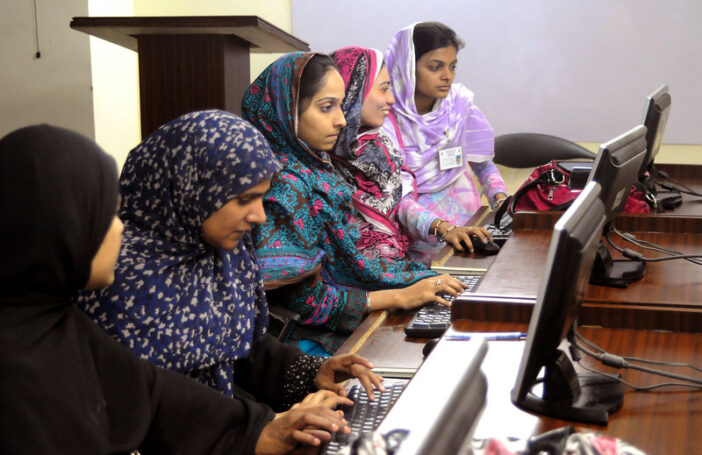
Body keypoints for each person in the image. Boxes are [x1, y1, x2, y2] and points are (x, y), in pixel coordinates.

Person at [0, 123, 357, 454]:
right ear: (57, 229)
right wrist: (264, 427)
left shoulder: (58, 325)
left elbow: (156, 394)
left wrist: (270, 419)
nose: (119, 229)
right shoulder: (24, 365)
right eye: (105, 215)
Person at [242, 52, 465, 356]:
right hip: (308, 346)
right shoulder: (284, 186)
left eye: (340, 104)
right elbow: (304, 303)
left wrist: (411, 287)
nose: (342, 119)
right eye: (326, 107)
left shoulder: (317, 169)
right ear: (287, 111)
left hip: (348, 323)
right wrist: (398, 297)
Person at [329, 46, 491, 265]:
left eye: (452, 67)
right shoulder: (328, 158)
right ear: (355, 91)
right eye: (384, 89)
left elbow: (398, 196)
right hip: (373, 280)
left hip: (401, 263)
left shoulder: (379, 144)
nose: (391, 100)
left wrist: (498, 200)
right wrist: (442, 228)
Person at [384, 22, 509, 263]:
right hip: (423, 240)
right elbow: (398, 199)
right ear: (407, 67)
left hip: (473, 228)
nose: (447, 76)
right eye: (435, 67)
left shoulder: (459, 105)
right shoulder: (385, 120)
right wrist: (444, 229)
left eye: (452, 67)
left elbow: (482, 165)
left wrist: (503, 204)